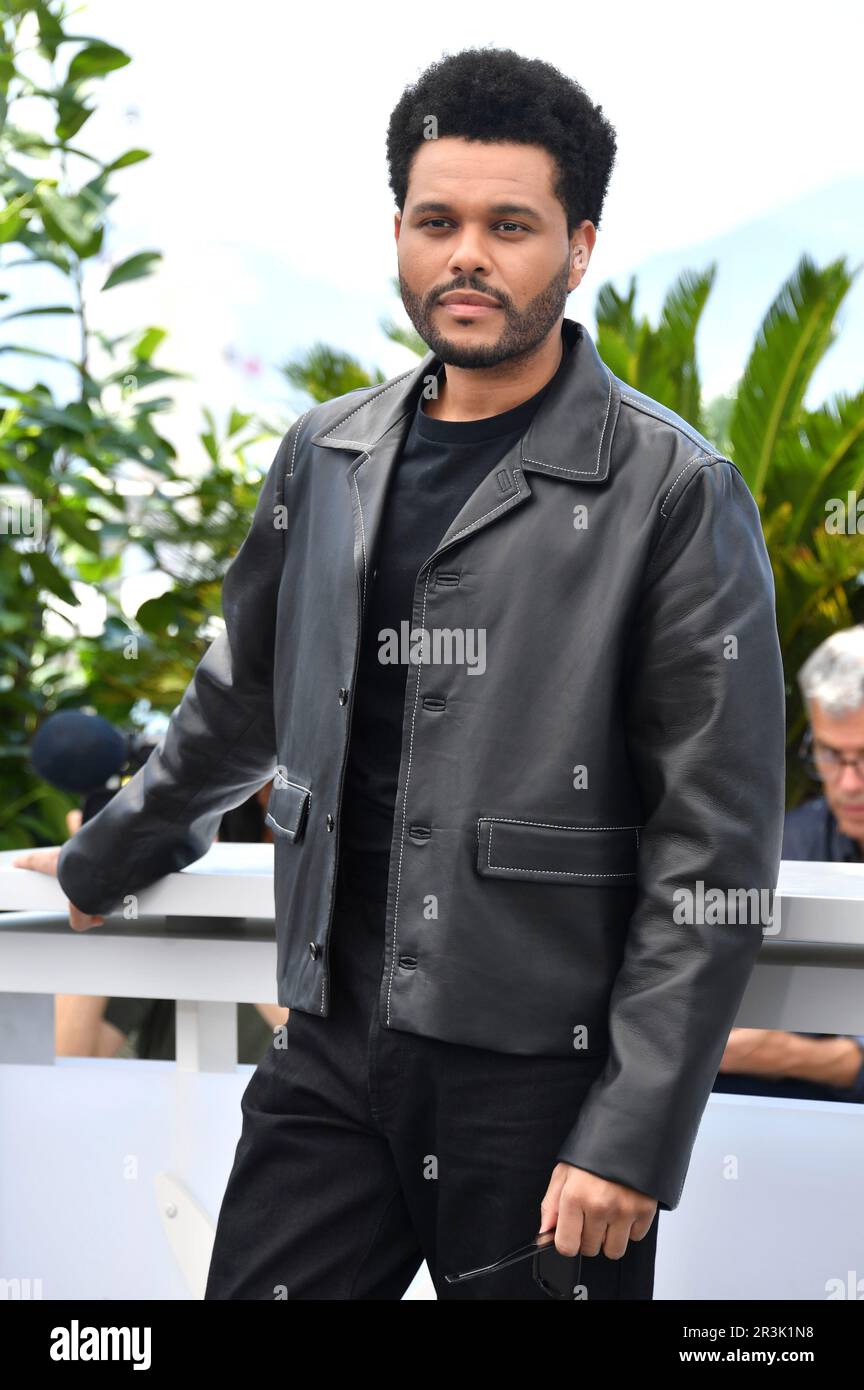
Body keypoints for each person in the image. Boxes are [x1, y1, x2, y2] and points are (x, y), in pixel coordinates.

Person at [13, 47, 785, 1300]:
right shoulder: (328, 451)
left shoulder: (673, 490)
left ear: (580, 246)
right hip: (326, 1045)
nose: (467, 254)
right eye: (439, 221)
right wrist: (110, 853)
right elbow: (241, 697)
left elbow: (718, 841)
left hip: (542, 1075)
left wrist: (635, 1130)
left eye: (510, 225)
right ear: (399, 233)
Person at [714, 626, 864, 1103]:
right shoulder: (790, 847)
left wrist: (788, 1054)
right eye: (828, 754)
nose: (847, 783)